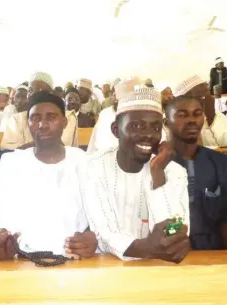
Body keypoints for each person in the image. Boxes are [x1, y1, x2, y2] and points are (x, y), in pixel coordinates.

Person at [81, 85, 191, 263]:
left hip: (160, 270)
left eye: (155, 128)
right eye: (136, 126)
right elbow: (105, 234)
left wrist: (158, 175)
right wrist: (150, 247)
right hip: (109, 268)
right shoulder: (95, 167)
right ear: (116, 130)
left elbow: (175, 231)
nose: (147, 134)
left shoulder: (173, 171)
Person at [0, 91, 97, 259]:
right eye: (35, 118)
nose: (43, 125)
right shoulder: (12, 163)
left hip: (75, 260)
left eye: (51, 117)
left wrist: (91, 237)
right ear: (28, 123)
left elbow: (97, 215)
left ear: (64, 122)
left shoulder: (82, 161)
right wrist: (2, 239)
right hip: (23, 260)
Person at [164, 95, 227, 250]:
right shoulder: (157, 164)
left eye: (197, 113)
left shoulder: (219, 162)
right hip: (167, 254)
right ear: (166, 123)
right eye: (182, 115)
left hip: (211, 255)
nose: (191, 120)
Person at [87, 79, 168, 153]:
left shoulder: (142, 114)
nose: (116, 100)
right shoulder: (105, 114)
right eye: (116, 98)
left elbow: (161, 140)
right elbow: (92, 145)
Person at [173, 75, 227, 147]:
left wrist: (211, 117)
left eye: (207, 90)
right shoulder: (186, 127)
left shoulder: (218, 116)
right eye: (205, 92)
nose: (211, 97)